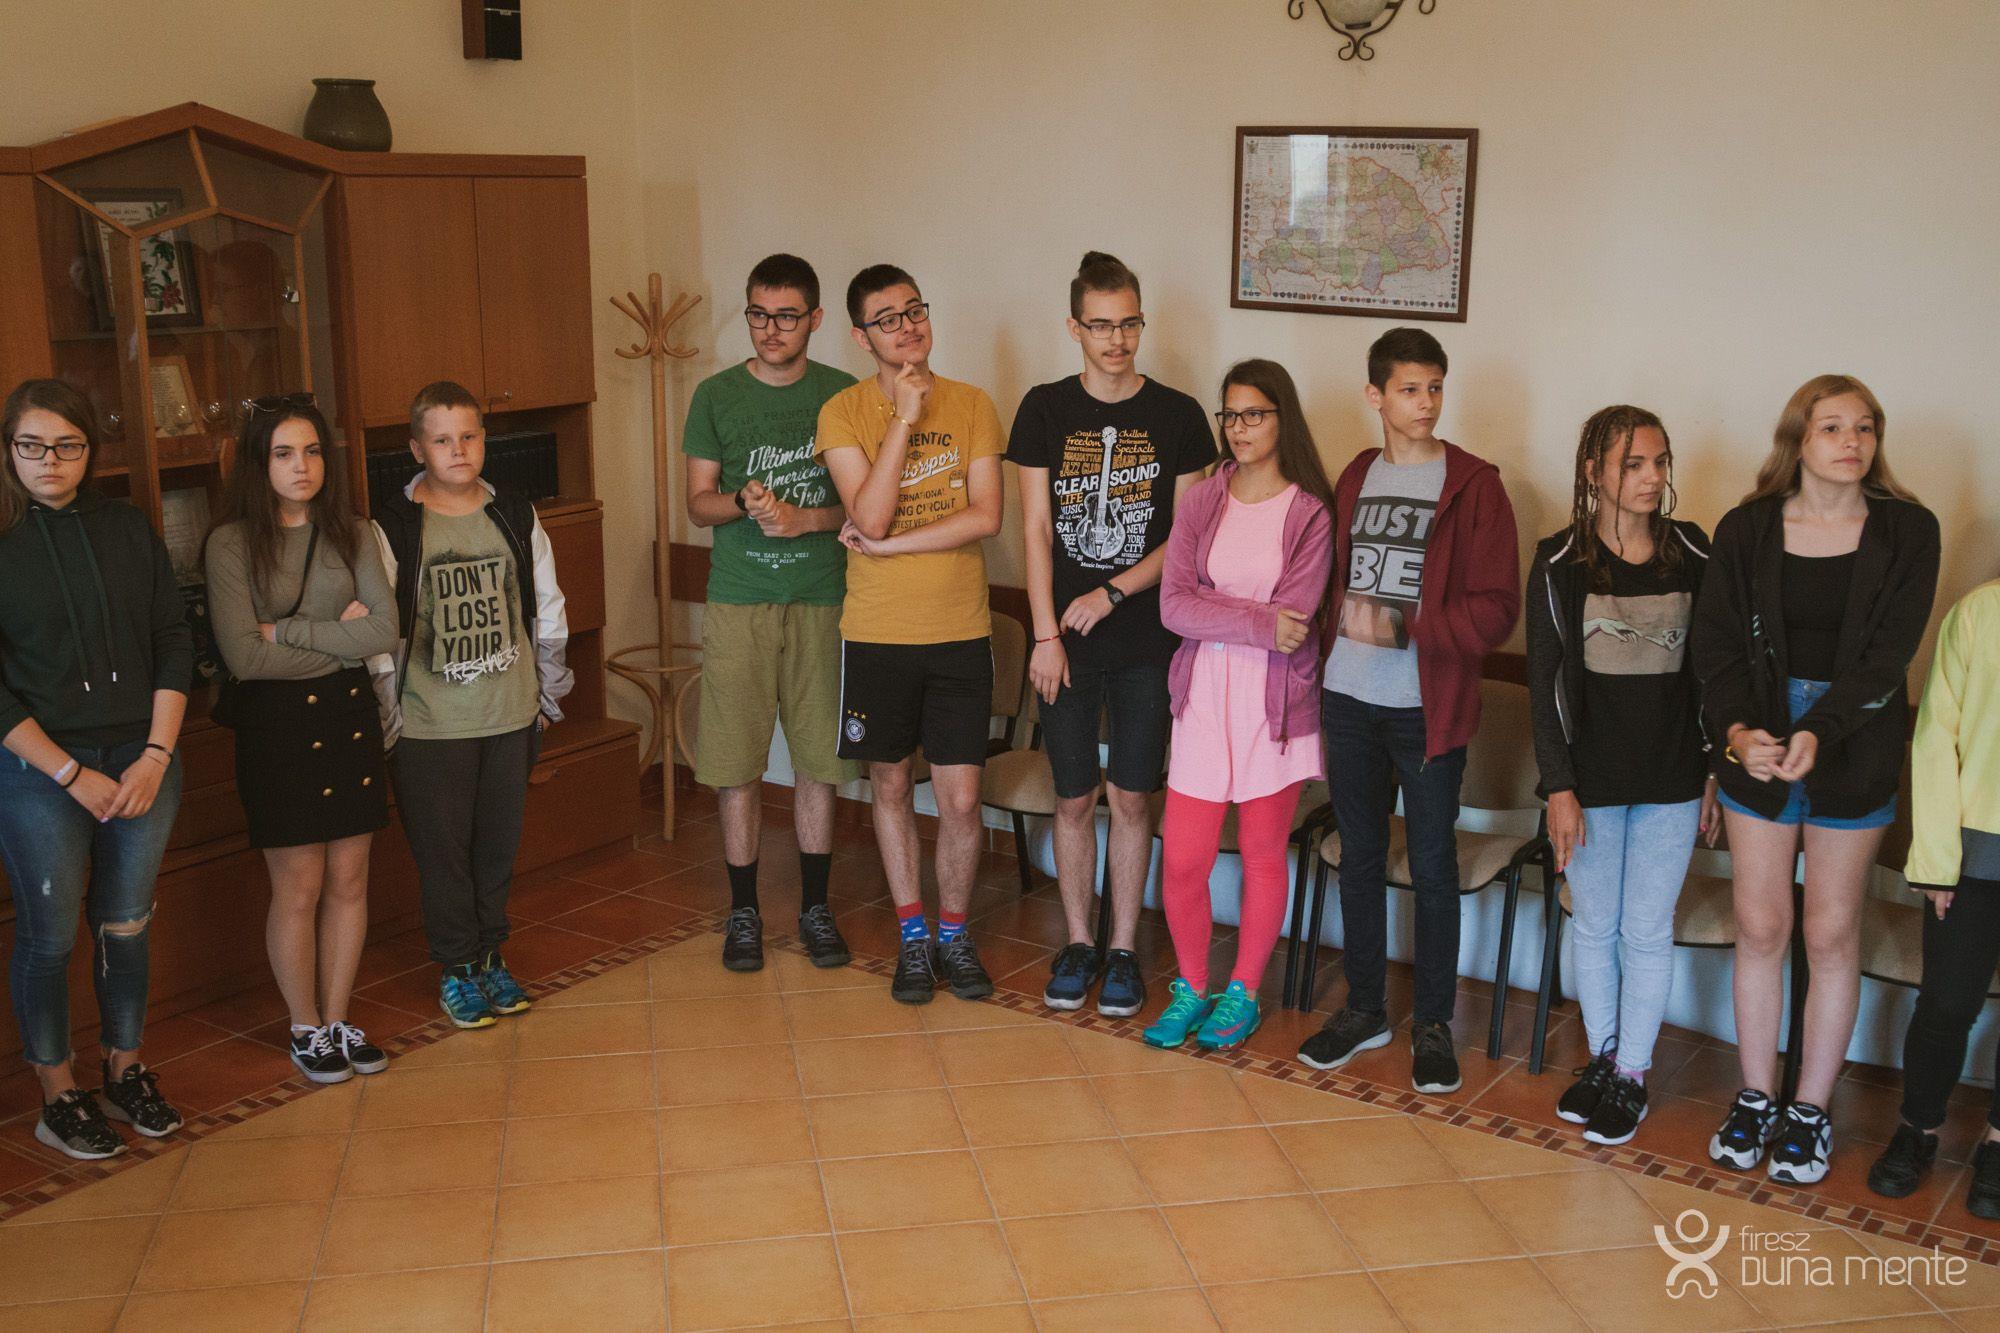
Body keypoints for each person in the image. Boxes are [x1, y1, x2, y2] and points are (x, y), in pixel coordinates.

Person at [1692, 373, 1938, 1185]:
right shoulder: (1747, 527)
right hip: (1758, 740)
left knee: (1830, 931)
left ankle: (1809, 1109)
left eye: (1865, 427)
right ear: (1798, 438)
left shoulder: (1909, 530)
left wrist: (1818, 729)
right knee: (1761, 924)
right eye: (1833, 427)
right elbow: (1716, 645)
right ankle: (1755, 1095)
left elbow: (1888, 657)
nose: (1852, 442)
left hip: (1854, 740)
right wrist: (1737, 733)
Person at [1295, 327, 1520, 1096]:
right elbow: (1331, 577)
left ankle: (1432, 1023)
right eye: (1410, 389)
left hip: (1426, 711)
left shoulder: (1475, 485)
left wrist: (1409, 627)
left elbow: (1498, 608)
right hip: (1348, 700)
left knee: (1430, 865)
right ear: (1376, 395)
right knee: (1358, 856)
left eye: (1435, 388)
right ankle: (1365, 1008)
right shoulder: (1357, 474)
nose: (1426, 403)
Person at [1007, 252, 1215, 1017]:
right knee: (1072, 797)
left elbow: (1186, 539)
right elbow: (1035, 529)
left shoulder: (1180, 415)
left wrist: (1112, 589)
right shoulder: (1043, 409)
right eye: (1101, 325)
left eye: (1129, 323)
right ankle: (1078, 941)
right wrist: (1044, 634)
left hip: (1146, 642)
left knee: (1131, 796)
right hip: (1062, 643)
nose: (1117, 339)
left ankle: (1123, 947)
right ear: (1075, 327)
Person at [0, 379, 192, 1158]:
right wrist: (70, 775)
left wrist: (156, 755)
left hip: (144, 758)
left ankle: (124, 1069)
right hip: (41, 772)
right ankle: (58, 1093)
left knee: (126, 922)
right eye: (32, 445)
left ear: (90, 451)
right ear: (9, 450)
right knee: (48, 936)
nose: (49, 460)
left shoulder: (126, 527)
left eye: (67, 445)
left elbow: (173, 636)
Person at [1524, 405, 1720, 1146]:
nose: (1651, 477)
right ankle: (1604, 1058)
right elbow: (1544, 683)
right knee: (1595, 924)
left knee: (1645, 930)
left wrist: (1713, 770)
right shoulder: (1557, 562)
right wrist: (1558, 786)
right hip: (1590, 784)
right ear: (1593, 471)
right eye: (1633, 463)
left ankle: (1632, 1072)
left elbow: (1714, 670)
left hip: (1673, 779)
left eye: (1660, 462)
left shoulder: (1693, 552)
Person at [816, 265, 1006, 1004]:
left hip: (959, 631)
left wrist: (889, 547)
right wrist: (903, 416)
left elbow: (985, 515)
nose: (907, 327)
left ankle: (955, 933)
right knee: (891, 784)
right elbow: (867, 515)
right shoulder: (842, 412)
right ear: (861, 337)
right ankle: (914, 936)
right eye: (887, 319)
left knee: (960, 800)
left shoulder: (974, 403)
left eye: (914, 311)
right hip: (877, 634)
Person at [205, 393, 398, 1083]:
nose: (301, 466)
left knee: (349, 879)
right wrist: (339, 641)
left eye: (312, 451)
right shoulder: (230, 543)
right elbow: (243, 657)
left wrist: (285, 631)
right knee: (299, 886)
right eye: (284, 453)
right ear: (259, 462)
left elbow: (384, 630)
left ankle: (339, 1019)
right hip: (276, 725)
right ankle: (305, 1026)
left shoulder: (354, 531)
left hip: (347, 716)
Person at [1141, 359, 1332, 1051]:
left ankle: (1243, 992)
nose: (1239, 427)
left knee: (1261, 854)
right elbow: (1173, 607)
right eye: (1230, 414)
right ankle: (1192, 987)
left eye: (1254, 414)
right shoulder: (1201, 500)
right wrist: (1254, 618)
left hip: (1272, 705)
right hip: (1202, 697)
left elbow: (1296, 621)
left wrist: (1215, 609)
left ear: (1283, 418)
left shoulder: (1309, 512)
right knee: (1184, 859)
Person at [373, 381, 574, 1028]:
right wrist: (388, 715)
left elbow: (548, 608)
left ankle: (491, 955)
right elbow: (381, 633)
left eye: (468, 436)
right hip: (431, 726)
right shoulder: (394, 527)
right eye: (441, 439)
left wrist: (546, 693)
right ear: (417, 449)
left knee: (495, 850)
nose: (457, 450)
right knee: (444, 856)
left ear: (484, 440)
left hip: (510, 715)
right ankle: (457, 967)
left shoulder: (514, 514)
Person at [684, 254, 858, 973]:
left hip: (824, 600)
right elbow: (697, 505)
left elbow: (868, 507)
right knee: (737, 767)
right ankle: (744, 912)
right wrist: (741, 501)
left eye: (786, 315)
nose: (770, 329)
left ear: (815, 319)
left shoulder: (844, 395)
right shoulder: (715, 395)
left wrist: (803, 518)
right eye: (758, 313)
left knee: (819, 763)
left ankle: (816, 908)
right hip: (739, 601)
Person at [1869, 579, 2000, 1214]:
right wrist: (1938, 863)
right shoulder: (1979, 612)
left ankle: (1998, 1144)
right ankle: (1917, 1128)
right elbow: (1935, 736)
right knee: (1946, 1004)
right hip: (1973, 852)